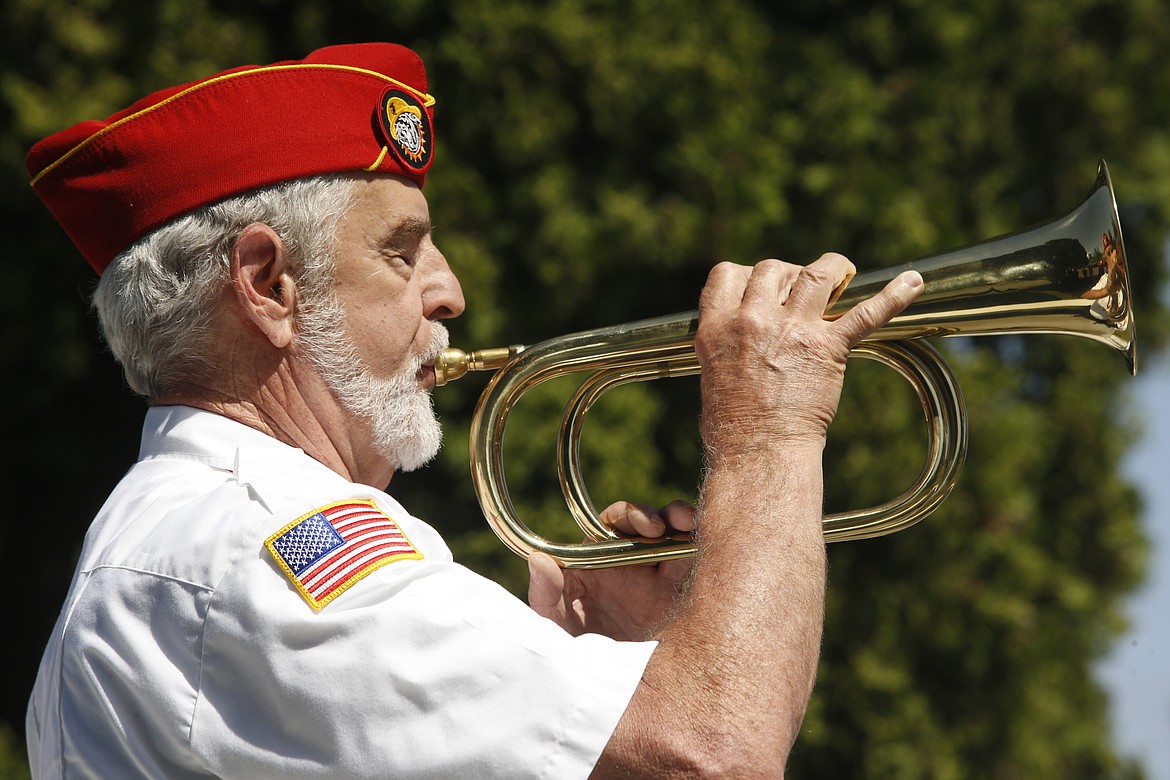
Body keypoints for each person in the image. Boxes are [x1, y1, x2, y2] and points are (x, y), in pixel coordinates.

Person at [24, 43, 923, 778]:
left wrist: (596, 687)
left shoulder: (195, 540)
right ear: (270, 286)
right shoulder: (268, 545)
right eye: (401, 251)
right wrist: (770, 437)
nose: (449, 291)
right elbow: (718, 752)